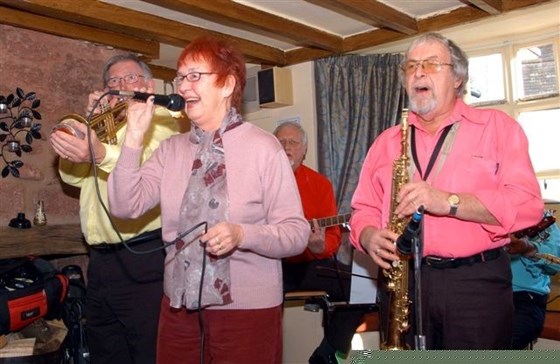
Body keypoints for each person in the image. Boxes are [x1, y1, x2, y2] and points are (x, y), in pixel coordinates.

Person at [107, 36, 310, 363]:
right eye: (180, 77)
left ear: (227, 84)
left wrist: (243, 234)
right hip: (179, 308)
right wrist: (132, 140)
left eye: (194, 76)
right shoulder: (170, 150)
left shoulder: (263, 148)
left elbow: (296, 233)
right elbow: (123, 206)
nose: (183, 86)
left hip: (246, 312)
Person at [349, 32, 543, 350]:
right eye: (411, 66)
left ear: (457, 77)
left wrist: (449, 201)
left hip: (475, 283)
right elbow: (363, 209)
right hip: (403, 283)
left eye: (431, 64)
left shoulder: (498, 128)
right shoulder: (384, 141)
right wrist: (368, 235)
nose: (419, 72)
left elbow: (527, 206)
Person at [50, 53, 182, 364]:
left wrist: (99, 150)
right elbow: (72, 176)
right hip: (99, 261)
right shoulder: (103, 126)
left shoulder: (164, 120)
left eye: (130, 79)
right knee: (106, 350)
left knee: (148, 349)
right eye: (113, 81)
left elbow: (147, 168)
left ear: (148, 85)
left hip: (143, 256)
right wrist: (86, 136)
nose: (121, 85)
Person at [274, 121, 367, 364]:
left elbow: (333, 241)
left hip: (305, 265)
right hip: (268, 267)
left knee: (361, 286)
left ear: (304, 150)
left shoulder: (319, 184)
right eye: (281, 142)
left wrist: (316, 245)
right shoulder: (260, 182)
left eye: (292, 142)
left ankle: (327, 354)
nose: (286, 147)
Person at [507, 212, 560, 349]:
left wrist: (530, 248)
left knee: (506, 341)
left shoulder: (541, 217)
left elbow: (556, 262)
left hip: (524, 298)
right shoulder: (482, 213)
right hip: (480, 294)